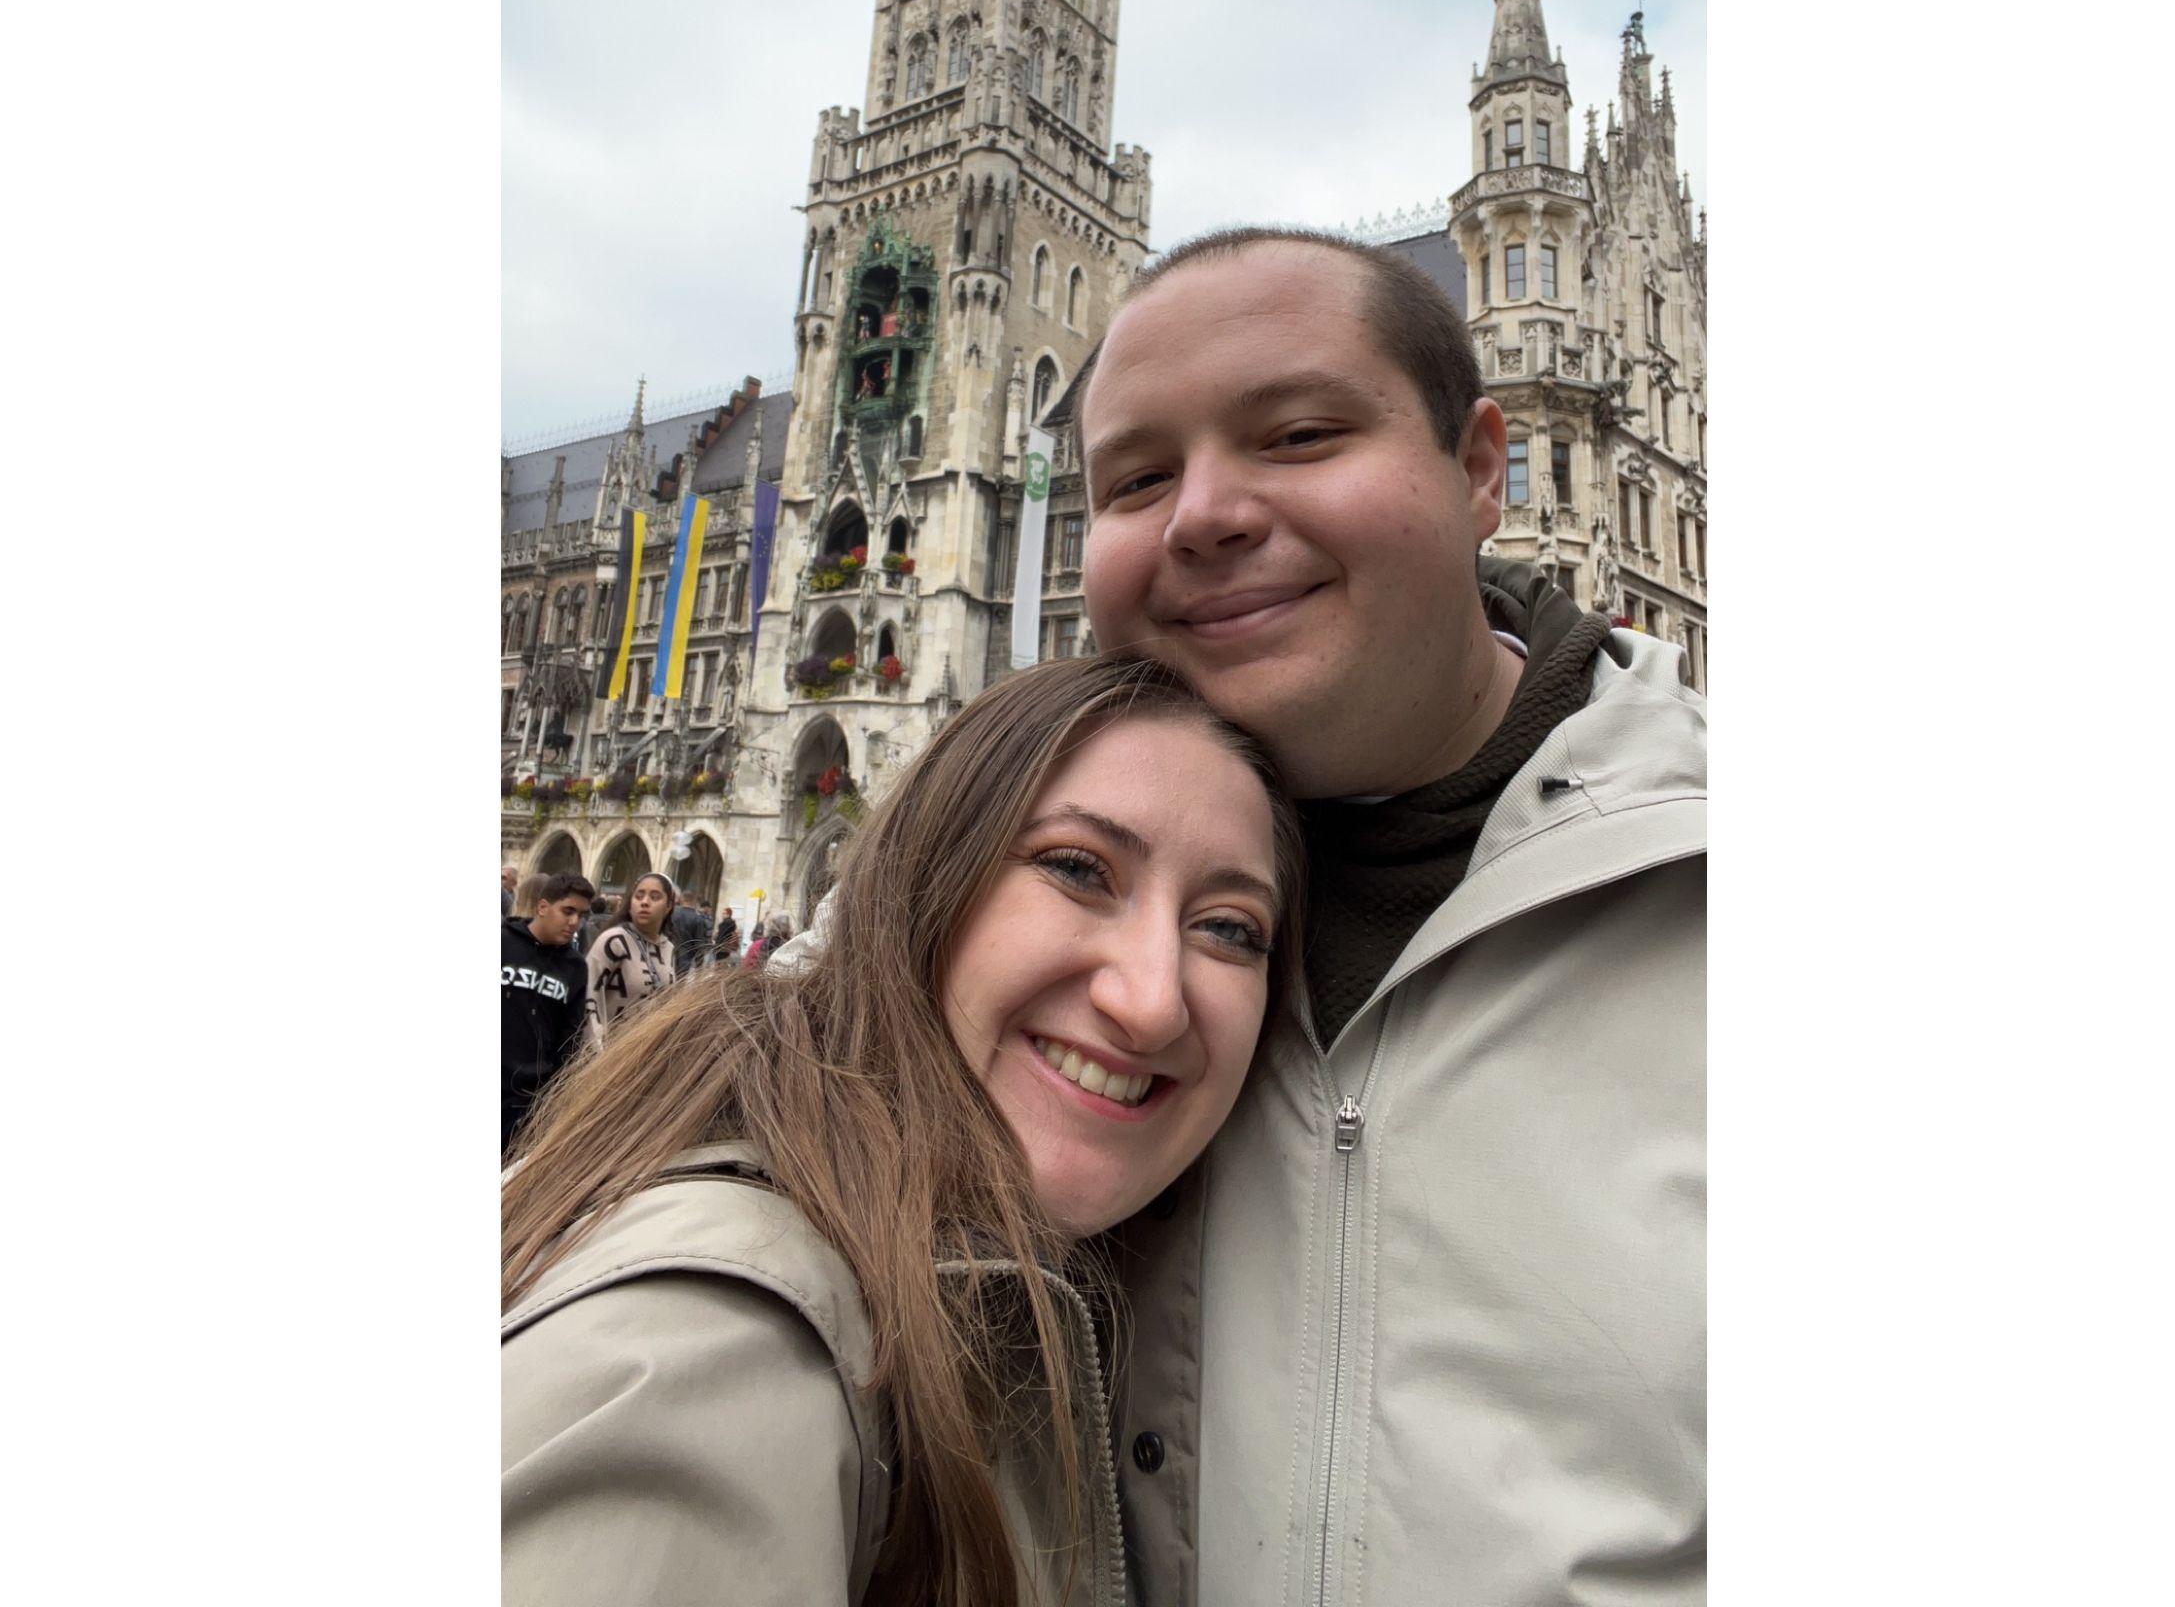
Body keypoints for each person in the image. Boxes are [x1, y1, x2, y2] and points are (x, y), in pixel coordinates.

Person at [1073, 226, 1707, 1604]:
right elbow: (775, 1150)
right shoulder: (998, 901)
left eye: (1299, 435)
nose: (1202, 515)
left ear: (1483, 467)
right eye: (1135, 477)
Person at [502, 654, 1304, 1606]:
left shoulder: (1051, 1287)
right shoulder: (712, 1346)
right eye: (1078, 869)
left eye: (1229, 928)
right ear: (921, 882)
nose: (1151, 1002)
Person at [501, 870, 593, 1158]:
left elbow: (570, 1038)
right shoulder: (502, 943)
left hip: (529, 1101)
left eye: (581, 914)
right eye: (568, 911)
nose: (574, 922)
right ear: (543, 907)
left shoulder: (575, 967)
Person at [581, 870, 679, 1047]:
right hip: (609, 1055)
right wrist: (595, 1051)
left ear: (668, 906)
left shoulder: (668, 949)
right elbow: (589, 995)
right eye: (639, 896)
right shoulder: (614, 941)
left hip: (646, 1058)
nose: (644, 902)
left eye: (655, 897)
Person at [666, 885, 713, 977]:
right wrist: (699, 965)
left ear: (682, 899)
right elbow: (699, 943)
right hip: (686, 956)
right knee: (680, 984)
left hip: (669, 953)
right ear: (694, 901)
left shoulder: (672, 914)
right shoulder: (698, 919)